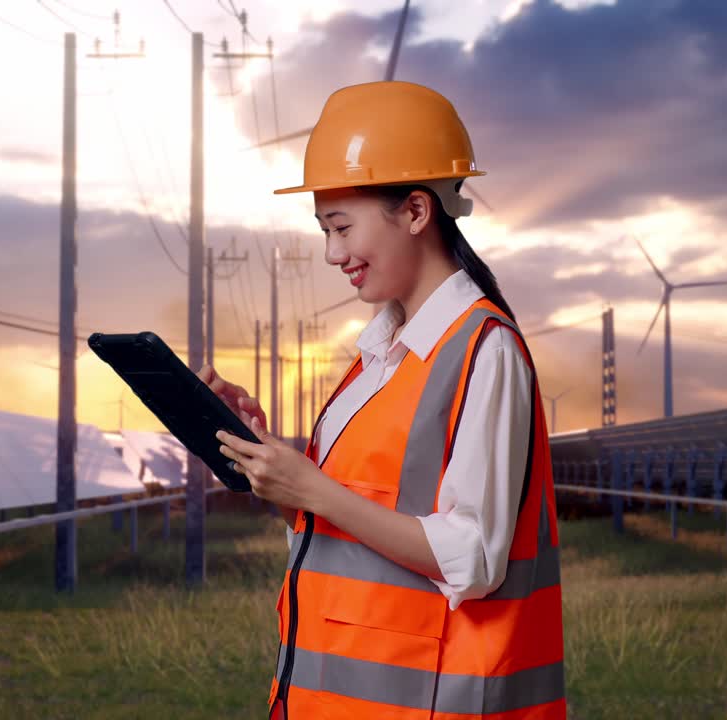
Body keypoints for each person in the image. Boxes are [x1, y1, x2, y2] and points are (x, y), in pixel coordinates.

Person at [204, 80, 564, 719]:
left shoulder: (486, 351)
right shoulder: (377, 358)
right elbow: (341, 526)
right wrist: (268, 462)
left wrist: (312, 489)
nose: (332, 254)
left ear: (418, 212)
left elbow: (473, 558)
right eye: (324, 231)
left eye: (341, 227)